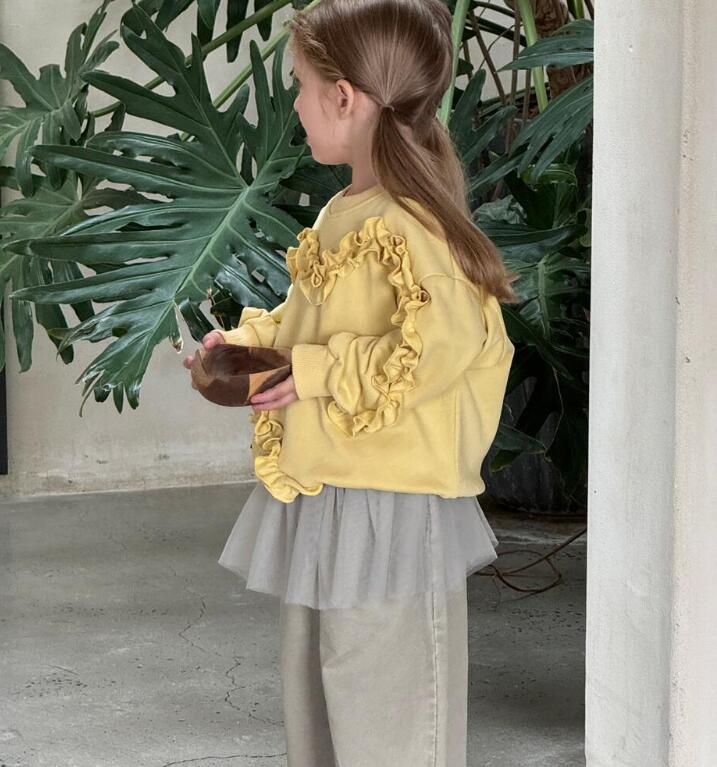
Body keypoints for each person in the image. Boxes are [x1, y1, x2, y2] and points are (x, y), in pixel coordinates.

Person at [184, 1, 519, 764]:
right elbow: (316, 320)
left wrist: (313, 371)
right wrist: (246, 347)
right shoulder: (345, 211)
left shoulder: (415, 228)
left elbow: (437, 348)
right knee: (321, 696)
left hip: (392, 505)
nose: (295, 105)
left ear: (344, 98)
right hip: (333, 488)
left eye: (300, 87)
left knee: (388, 709)